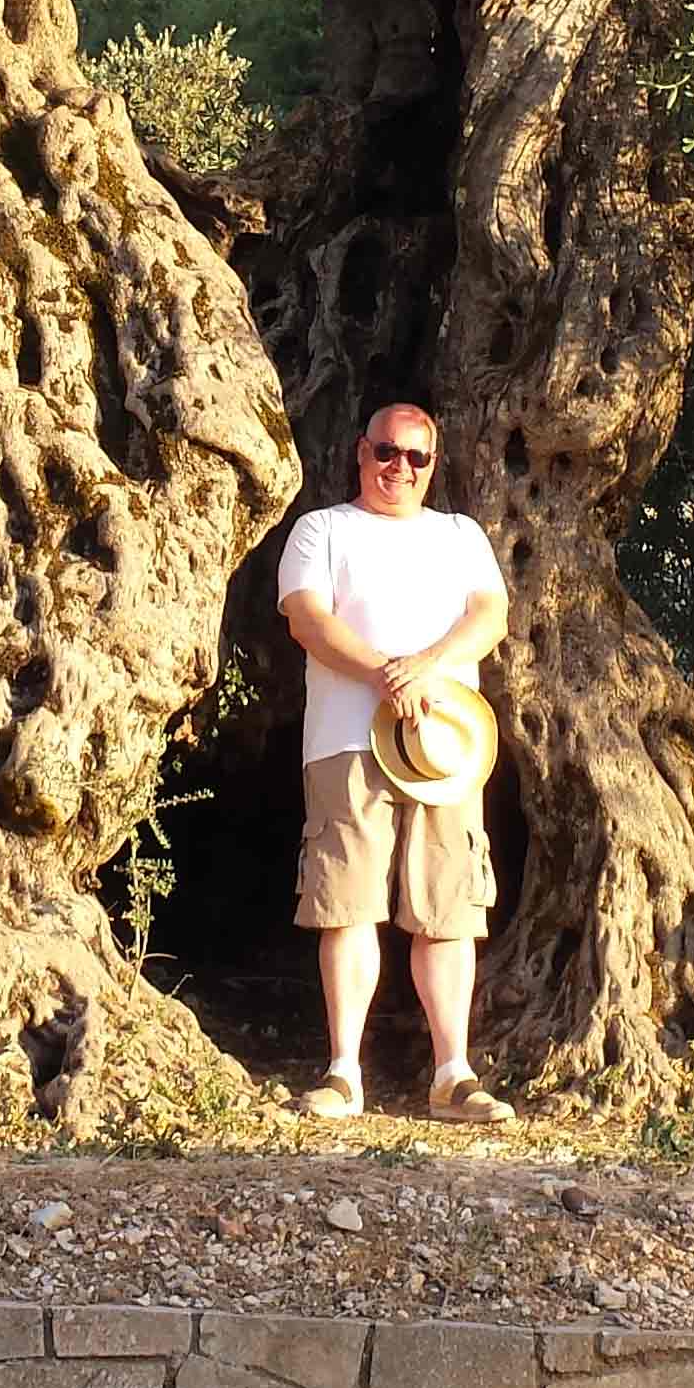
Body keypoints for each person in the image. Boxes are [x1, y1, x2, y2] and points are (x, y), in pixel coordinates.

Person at [276, 401, 515, 1124]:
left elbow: (489, 614)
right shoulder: (322, 530)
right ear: (360, 451)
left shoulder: (459, 535)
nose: (399, 468)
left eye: (416, 458)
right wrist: (384, 674)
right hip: (349, 740)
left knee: (447, 909)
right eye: (387, 451)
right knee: (347, 903)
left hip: (446, 746)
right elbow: (307, 618)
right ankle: (345, 1072)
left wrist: (426, 669)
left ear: (433, 465)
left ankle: (454, 1074)